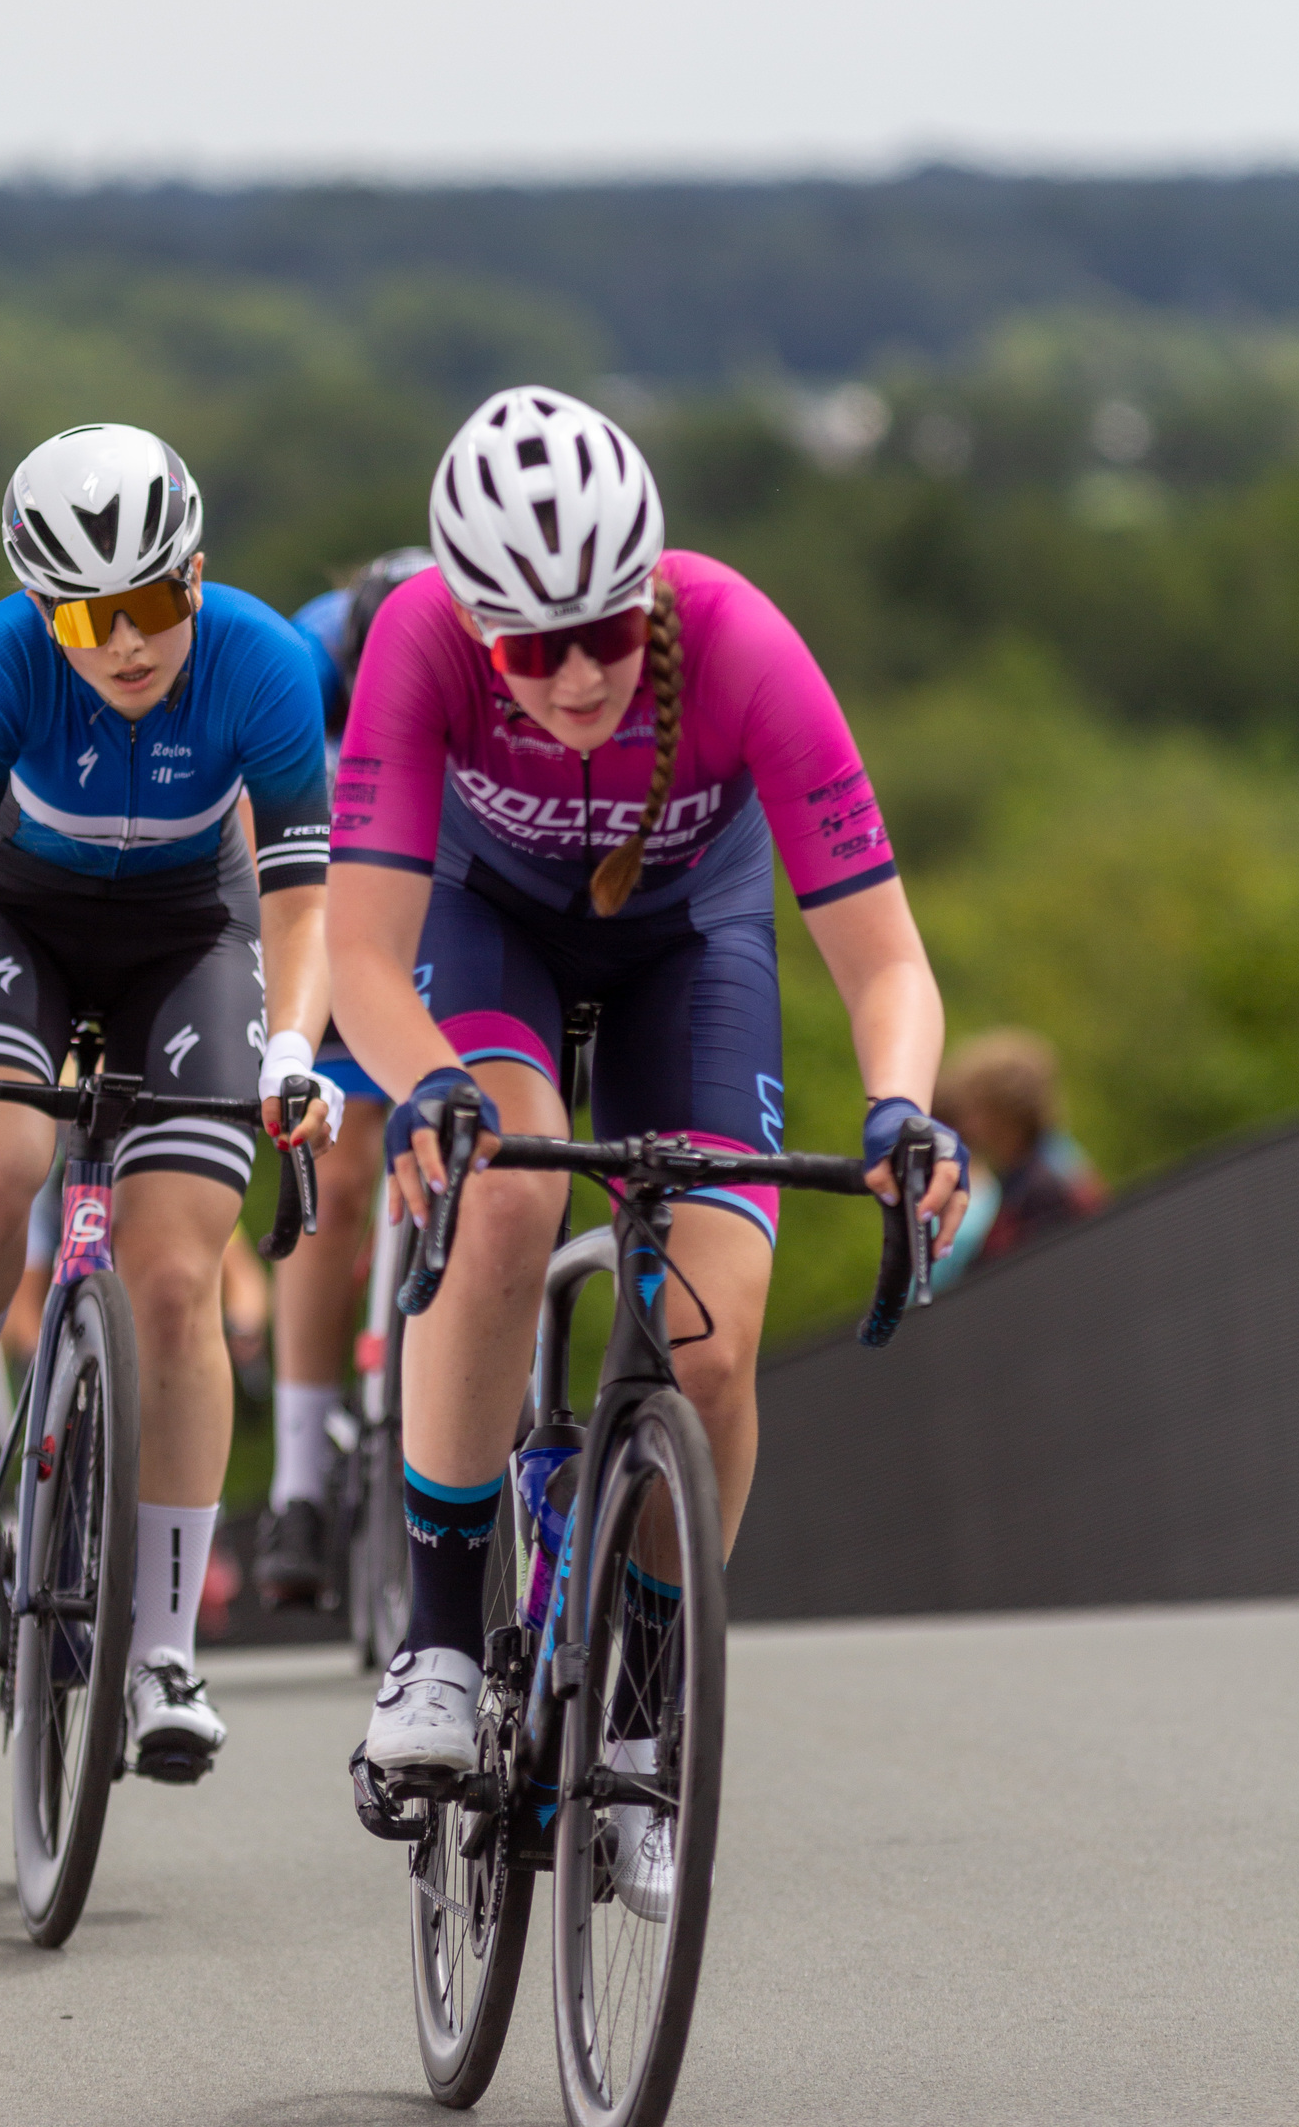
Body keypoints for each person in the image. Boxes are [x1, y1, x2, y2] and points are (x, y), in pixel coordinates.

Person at [326, 388, 969, 1905]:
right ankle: (431, 1643)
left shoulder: (742, 642)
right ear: (475, 627)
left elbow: (887, 965)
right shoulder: (420, 642)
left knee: (718, 1350)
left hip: (693, 944)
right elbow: (362, 956)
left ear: (651, 599)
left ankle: (640, 1729)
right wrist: (424, 1086)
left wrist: (899, 1106)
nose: (568, 677)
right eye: (528, 651)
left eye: (603, 635)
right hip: (494, 942)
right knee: (500, 1199)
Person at [0, 422, 338, 1778]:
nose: (128, 644)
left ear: (196, 572)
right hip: (28, 923)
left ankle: (164, 1652)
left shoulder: (263, 659)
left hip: (195, 936)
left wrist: (297, 1047)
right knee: (1, 1152)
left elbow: (306, 902)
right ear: (42, 611)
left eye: (153, 603)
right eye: (90, 615)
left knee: (179, 1276)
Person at [254, 548, 434, 1606]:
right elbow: (268, 846)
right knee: (345, 1162)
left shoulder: (477, 665)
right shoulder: (300, 659)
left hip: (434, 887)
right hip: (318, 892)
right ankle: (299, 1480)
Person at [932, 1029, 1104, 1272]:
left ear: (1002, 1113)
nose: (966, 1124)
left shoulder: (1043, 1188)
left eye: (975, 1110)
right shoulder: (1045, 1164)